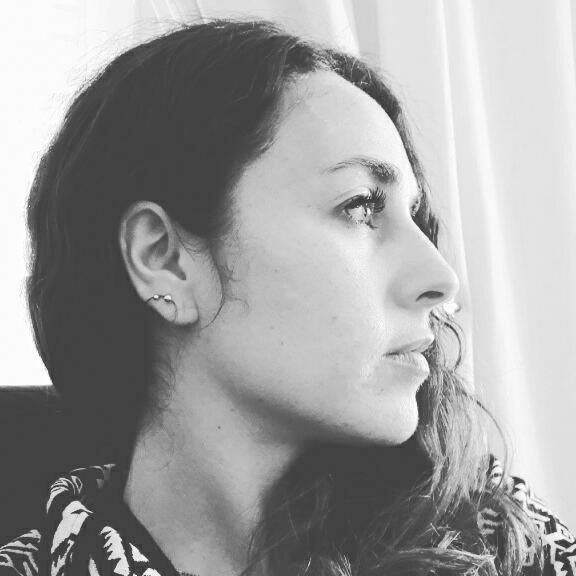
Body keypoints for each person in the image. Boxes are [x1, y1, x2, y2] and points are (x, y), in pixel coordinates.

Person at [0, 17, 573, 576]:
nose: (442, 278)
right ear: (165, 260)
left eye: (416, 219)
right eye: (360, 206)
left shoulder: (511, 549)